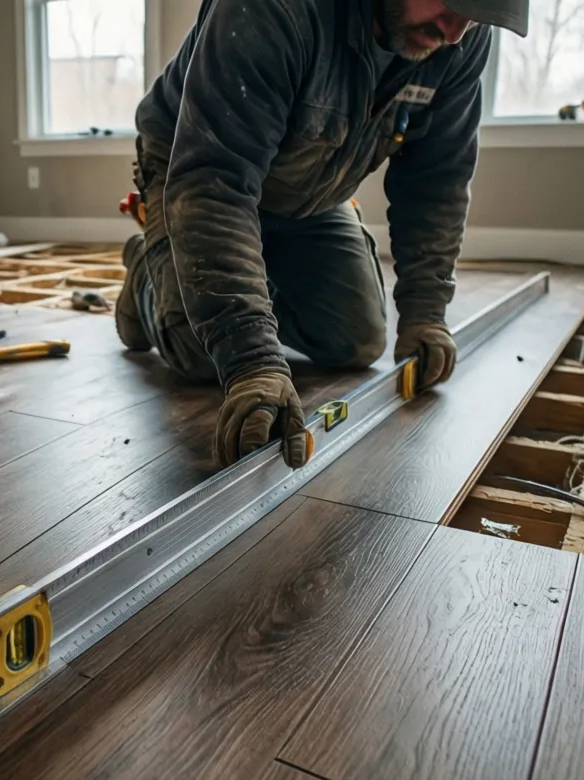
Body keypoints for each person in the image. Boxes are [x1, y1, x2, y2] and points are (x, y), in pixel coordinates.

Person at [115, 0, 529, 469]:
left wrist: (426, 313)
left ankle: (229, 266)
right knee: (202, 352)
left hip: (309, 191)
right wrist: (253, 361)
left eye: (474, 17)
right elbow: (215, 183)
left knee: (357, 341)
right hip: (193, 171)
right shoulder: (273, 9)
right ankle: (147, 271)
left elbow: (437, 181)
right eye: (452, 1)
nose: (455, 32)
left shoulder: (458, 39)